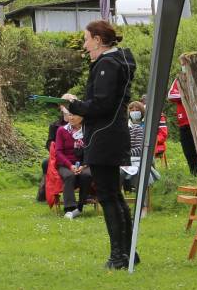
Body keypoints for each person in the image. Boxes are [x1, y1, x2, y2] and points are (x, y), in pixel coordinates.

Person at [62, 19, 138, 268]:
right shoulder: (117, 61)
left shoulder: (107, 63)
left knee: (108, 196)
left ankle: (118, 256)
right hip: (111, 134)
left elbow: (102, 104)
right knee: (114, 195)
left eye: (86, 39)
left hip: (104, 135)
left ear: (97, 39)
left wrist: (74, 104)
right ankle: (129, 252)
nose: (84, 45)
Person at [47, 108, 87, 217]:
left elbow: (91, 150)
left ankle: (81, 204)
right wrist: (70, 165)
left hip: (84, 163)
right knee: (69, 176)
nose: (71, 117)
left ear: (82, 117)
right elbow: (58, 152)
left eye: (74, 115)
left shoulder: (87, 130)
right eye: (69, 115)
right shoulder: (61, 130)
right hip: (65, 163)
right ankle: (70, 207)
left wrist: (83, 166)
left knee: (86, 175)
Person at [168, 78, 197, 174]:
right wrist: (188, 95)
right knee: (189, 152)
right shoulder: (179, 79)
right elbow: (171, 95)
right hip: (184, 124)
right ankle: (195, 175)